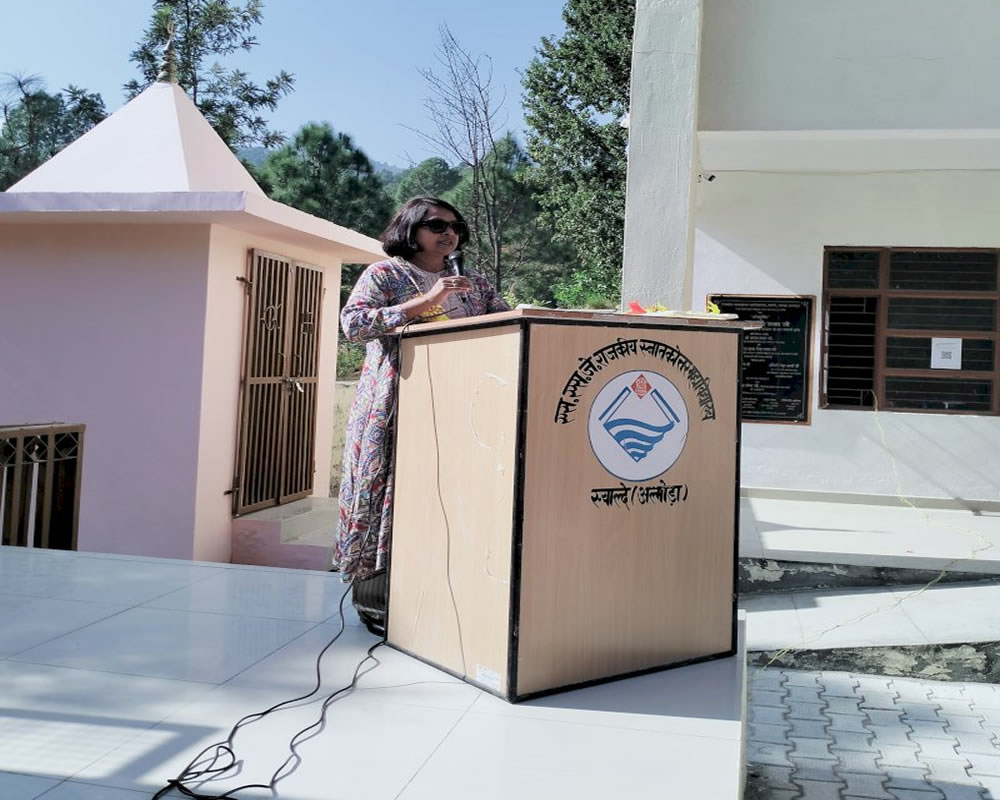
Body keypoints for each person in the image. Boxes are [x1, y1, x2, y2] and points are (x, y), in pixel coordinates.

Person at [333, 196, 509, 634]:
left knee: (445, 500)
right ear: (410, 229)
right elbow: (354, 325)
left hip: (459, 409)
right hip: (395, 407)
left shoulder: (474, 283)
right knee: (392, 500)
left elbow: (507, 326)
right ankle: (378, 603)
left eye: (455, 226)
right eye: (437, 225)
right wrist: (426, 301)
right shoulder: (385, 274)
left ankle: (440, 598)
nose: (449, 233)